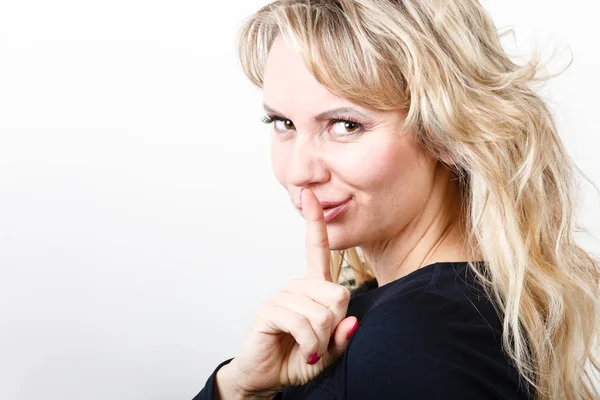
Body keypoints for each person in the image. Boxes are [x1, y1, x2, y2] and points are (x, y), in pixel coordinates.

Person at [192, 0, 600, 399]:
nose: (299, 171)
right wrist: (240, 386)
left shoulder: (412, 338)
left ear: (447, 132)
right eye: (283, 123)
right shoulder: (454, 306)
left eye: (346, 125)